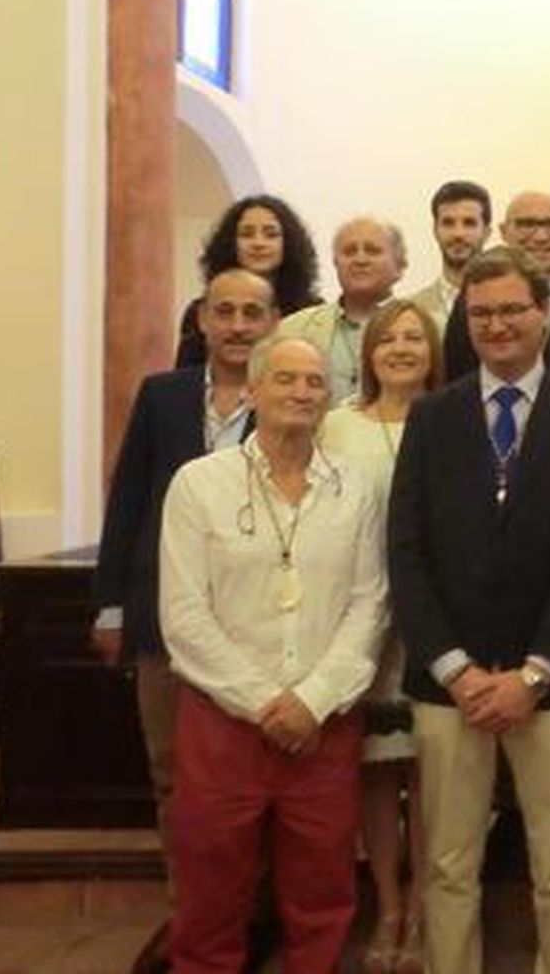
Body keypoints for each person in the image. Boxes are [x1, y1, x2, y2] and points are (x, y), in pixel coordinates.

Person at [389, 246, 550, 974]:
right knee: (450, 867)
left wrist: (533, 672)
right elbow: (407, 551)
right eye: (481, 313)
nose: (497, 325)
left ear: (544, 315)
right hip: (450, 688)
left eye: (512, 309)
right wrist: (456, 670)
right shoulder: (431, 417)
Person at [159, 336, 389, 974]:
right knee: (212, 897)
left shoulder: (356, 488)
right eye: (285, 379)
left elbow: (370, 606)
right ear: (253, 390)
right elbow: (183, 616)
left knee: (323, 899)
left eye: (314, 382)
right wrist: (265, 702)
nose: (300, 392)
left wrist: (312, 702)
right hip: (223, 726)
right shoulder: (198, 484)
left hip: (323, 726)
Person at [92, 268, 278, 972]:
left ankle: (256, 913)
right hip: (164, 615)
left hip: (257, 623)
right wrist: (112, 601)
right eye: (223, 311)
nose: (236, 325)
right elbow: (128, 499)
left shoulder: (293, 393)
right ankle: (191, 913)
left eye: (251, 312)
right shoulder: (163, 395)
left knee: (253, 780)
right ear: (201, 320)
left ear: (274, 320)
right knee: (174, 776)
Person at [320, 300, 443, 973]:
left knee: (429, 771)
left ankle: (426, 905)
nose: (400, 348)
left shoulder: (451, 416)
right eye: (388, 338)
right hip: (357, 618)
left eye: (413, 338)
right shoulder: (337, 425)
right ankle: (388, 904)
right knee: (374, 770)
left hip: (433, 620)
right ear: (368, 352)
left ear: (433, 350)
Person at [442, 190, 550, 383]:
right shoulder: (473, 299)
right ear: (504, 232)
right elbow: (457, 377)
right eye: (527, 224)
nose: (541, 237)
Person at [174, 195, 320, 367]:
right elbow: (187, 378)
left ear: (288, 244)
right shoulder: (204, 311)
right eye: (247, 234)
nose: (258, 243)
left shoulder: (314, 314)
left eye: (270, 234)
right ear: (230, 243)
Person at [278, 216, 408, 402]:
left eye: (372, 251)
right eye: (349, 252)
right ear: (335, 264)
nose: (360, 259)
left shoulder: (425, 329)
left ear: (400, 267)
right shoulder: (293, 329)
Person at [407, 178, 492, 334]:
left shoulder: (507, 304)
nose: (458, 234)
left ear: (487, 232)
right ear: (435, 230)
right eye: (448, 223)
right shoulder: (412, 310)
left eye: (469, 223)